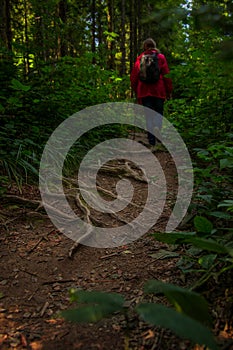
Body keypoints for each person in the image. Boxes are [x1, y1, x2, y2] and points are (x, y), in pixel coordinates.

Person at [130, 38, 172, 148]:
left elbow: (134, 77)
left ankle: (151, 141)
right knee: (158, 112)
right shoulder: (161, 57)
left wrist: (136, 90)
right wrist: (169, 91)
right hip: (159, 90)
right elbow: (167, 75)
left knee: (148, 116)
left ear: (144, 46)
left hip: (144, 91)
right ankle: (157, 128)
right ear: (154, 45)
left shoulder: (140, 58)